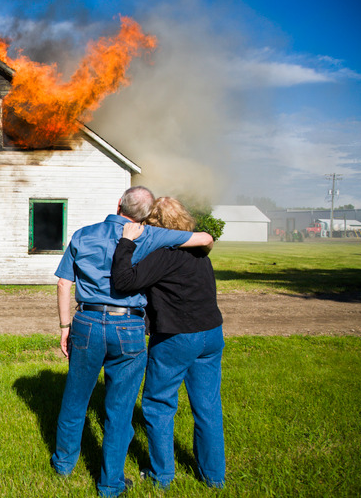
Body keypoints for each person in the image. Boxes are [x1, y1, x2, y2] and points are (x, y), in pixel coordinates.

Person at [50, 186, 214, 497]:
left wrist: (64, 326)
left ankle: (63, 464)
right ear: (146, 216)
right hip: (128, 325)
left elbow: (63, 282)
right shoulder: (151, 236)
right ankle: (111, 483)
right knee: (120, 408)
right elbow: (203, 239)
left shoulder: (83, 234)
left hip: (86, 321)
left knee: (75, 398)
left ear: (118, 204)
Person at [110, 197, 225, 490]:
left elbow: (124, 281)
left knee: (158, 404)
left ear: (153, 223)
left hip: (176, 337)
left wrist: (125, 243)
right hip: (211, 334)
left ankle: (162, 475)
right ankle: (214, 476)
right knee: (208, 406)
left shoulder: (163, 254)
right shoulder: (201, 252)